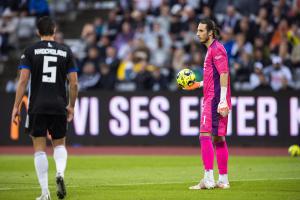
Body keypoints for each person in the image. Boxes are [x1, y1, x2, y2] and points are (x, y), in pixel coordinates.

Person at [11, 16, 78, 200]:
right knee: (59, 143)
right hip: (58, 105)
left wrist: (16, 106)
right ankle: (60, 174)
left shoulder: (30, 51)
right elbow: (74, 83)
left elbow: (23, 80)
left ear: (38, 32)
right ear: (54, 31)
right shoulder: (66, 51)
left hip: (37, 105)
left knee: (39, 148)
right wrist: (71, 106)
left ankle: (45, 193)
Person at [184, 19, 231, 190]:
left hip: (214, 99)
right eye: (197, 30)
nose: (198, 33)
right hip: (216, 97)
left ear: (210, 32)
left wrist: (223, 100)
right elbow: (216, 77)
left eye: (201, 30)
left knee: (204, 135)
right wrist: (199, 84)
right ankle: (223, 180)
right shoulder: (212, 49)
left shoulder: (216, 49)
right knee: (218, 138)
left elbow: (224, 74)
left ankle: (208, 179)